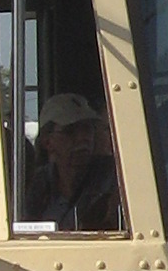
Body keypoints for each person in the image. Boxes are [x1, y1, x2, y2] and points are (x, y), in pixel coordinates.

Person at [32, 93, 122, 233]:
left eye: (87, 129)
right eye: (70, 131)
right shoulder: (36, 185)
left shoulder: (116, 178)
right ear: (48, 142)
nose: (83, 138)